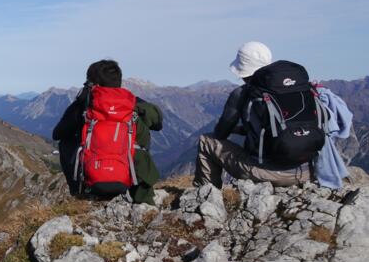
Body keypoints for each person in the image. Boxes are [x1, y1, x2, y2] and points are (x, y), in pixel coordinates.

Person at [194, 41, 323, 188]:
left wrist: (234, 128)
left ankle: (206, 193)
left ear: (243, 70)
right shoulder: (300, 89)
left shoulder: (242, 93)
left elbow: (220, 133)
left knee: (206, 141)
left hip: (266, 173)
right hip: (308, 171)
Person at [53, 60, 163, 205]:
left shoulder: (83, 107)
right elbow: (157, 123)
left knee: (65, 143)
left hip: (93, 175)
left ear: (91, 84)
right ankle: (143, 198)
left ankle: (79, 191)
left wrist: (81, 105)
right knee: (139, 140)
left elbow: (58, 134)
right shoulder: (131, 104)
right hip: (129, 171)